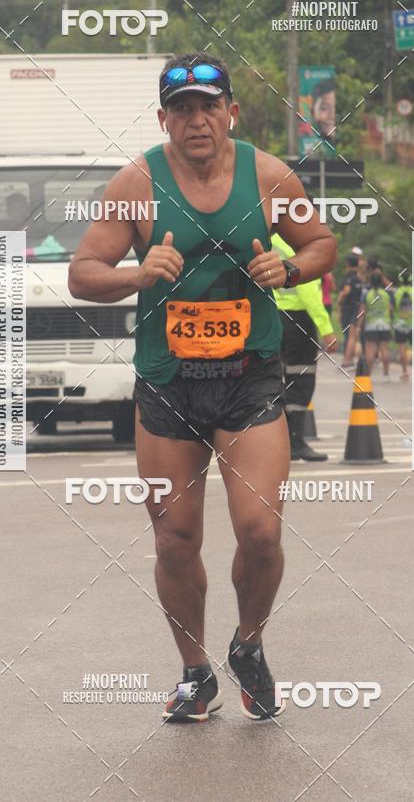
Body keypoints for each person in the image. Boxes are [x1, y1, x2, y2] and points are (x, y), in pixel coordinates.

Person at [68, 52, 337, 723]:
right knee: (175, 541)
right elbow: (82, 274)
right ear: (163, 118)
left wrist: (291, 265)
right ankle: (195, 673)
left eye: (208, 105)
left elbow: (323, 243)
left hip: (249, 380)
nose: (196, 119)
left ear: (231, 112)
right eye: (181, 108)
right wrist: (137, 274)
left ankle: (248, 644)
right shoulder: (135, 183)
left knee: (261, 532)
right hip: (168, 386)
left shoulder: (270, 176)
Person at [272, 232, 337, 462]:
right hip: (297, 321)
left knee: (273, 381)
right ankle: (295, 442)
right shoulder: (298, 244)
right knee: (300, 381)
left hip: (272, 319)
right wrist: (327, 329)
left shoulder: (268, 239)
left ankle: (274, 444)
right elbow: (307, 290)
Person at [360, 269, 392, 382]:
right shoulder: (386, 293)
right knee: (384, 349)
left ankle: (368, 375)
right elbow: (390, 308)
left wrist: (359, 325)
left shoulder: (366, 294)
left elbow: (362, 311)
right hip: (385, 324)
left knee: (370, 350)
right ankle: (386, 374)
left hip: (371, 325)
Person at [337, 253, 363, 368]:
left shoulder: (348, 278)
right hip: (357, 308)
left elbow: (345, 291)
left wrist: (339, 301)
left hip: (347, 308)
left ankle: (347, 361)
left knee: (348, 335)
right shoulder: (358, 278)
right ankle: (350, 359)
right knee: (352, 335)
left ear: (347, 264)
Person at [392, 278, 413, 379]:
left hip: (399, 325)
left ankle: (404, 372)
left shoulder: (397, 293)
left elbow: (391, 308)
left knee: (402, 348)